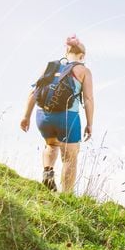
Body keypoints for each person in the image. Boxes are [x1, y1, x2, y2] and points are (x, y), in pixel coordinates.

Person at [20, 34, 94, 194]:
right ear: (82, 56)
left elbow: (34, 92)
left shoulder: (49, 67)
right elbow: (88, 99)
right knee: (69, 158)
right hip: (68, 118)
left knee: (51, 145)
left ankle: (48, 172)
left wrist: (26, 116)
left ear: (66, 52)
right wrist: (89, 123)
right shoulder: (83, 70)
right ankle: (67, 196)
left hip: (43, 116)